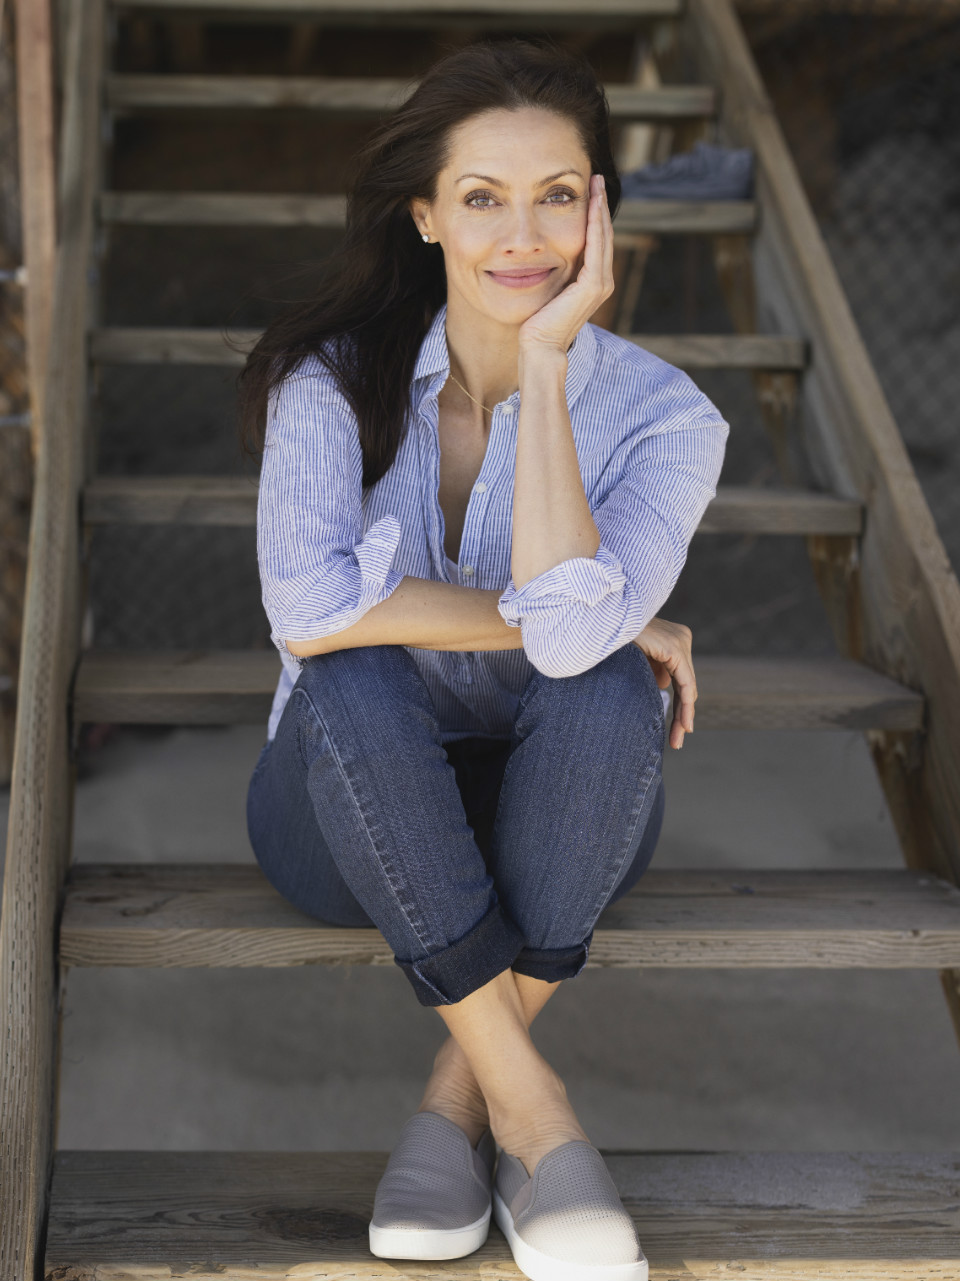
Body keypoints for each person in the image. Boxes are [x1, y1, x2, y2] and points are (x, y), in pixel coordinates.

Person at [240, 36, 729, 1281]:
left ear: (600, 210)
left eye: (557, 195)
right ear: (425, 215)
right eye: (481, 197)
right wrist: (587, 612)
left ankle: (456, 1108)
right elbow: (309, 614)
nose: (524, 237)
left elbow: (570, 646)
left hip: (560, 815)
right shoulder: (327, 384)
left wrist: (549, 369)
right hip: (338, 808)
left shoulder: (668, 417)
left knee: (605, 682)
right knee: (354, 672)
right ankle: (536, 1116)